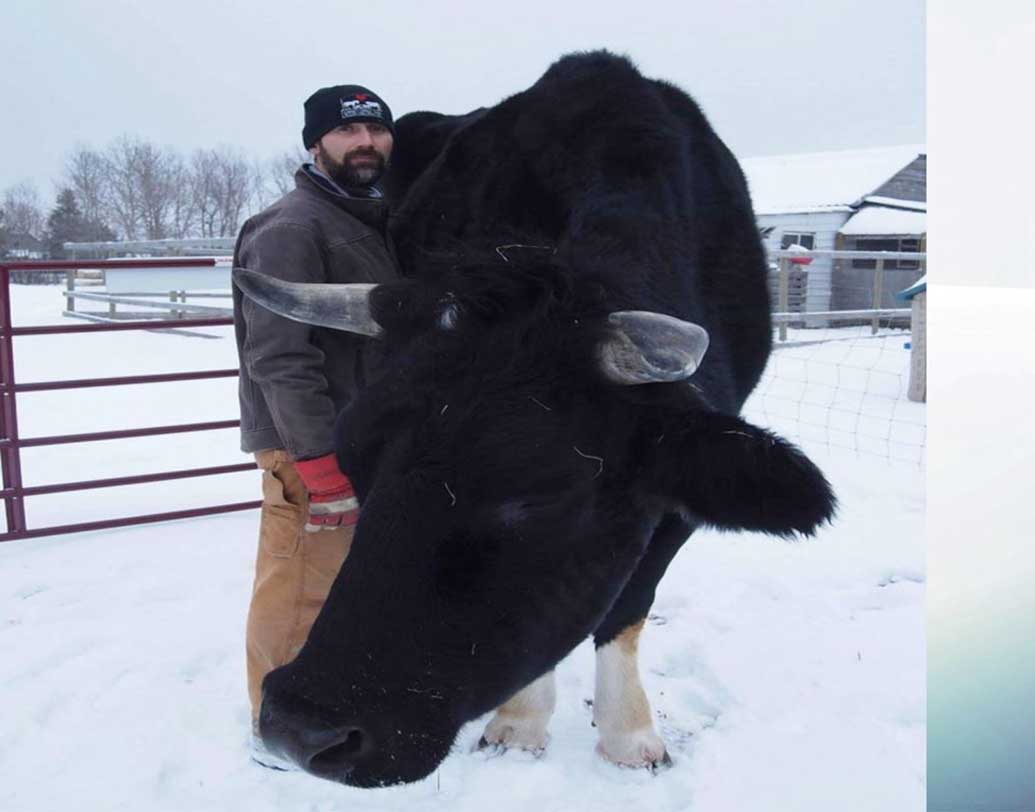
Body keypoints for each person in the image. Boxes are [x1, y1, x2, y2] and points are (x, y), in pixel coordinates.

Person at [232, 84, 399, 757]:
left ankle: (338, 698)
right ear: (314, 143)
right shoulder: (292, 228)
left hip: (364, 441)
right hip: (312, 450)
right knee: (299, 583)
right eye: (346, 132)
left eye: (376, 131)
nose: (366, 144)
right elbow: (278, 358)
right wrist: (320, 466)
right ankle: (273, 729)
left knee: (347, 585)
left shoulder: (368, 221)